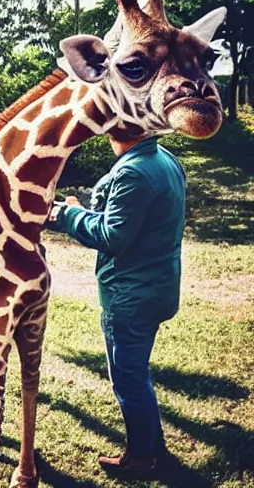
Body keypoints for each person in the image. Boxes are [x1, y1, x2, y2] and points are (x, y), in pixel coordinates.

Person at [47, 134, 186, 477]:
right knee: (137, 372)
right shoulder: (163, 159)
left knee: (129, 378)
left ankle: (141, 457)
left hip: (131, 297)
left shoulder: (134, 172)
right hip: (155, 287)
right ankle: (154, 448)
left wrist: (67, 215)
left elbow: (112, 236)